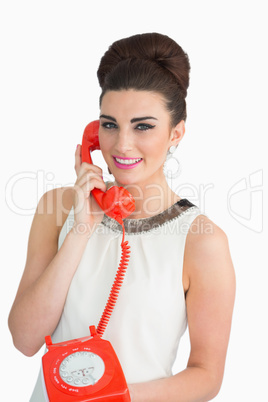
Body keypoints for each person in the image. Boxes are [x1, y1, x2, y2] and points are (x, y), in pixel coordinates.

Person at [8, 32, 235, 401]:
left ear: (176, 132)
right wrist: (82, 228)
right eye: (110, 124)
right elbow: (24, 339)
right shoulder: (59, 208)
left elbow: (206, 374)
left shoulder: (202, 240)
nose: (122, 144)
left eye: (143, 126)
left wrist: (111, 396)